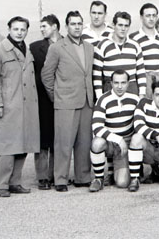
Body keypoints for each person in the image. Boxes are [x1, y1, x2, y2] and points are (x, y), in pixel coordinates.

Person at [0, 16, 40, 197]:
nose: (19, 33)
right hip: (8, 107)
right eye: (16, 29)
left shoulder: (27, 51)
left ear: (27, 31)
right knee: (7, 147)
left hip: (26, 108)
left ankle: (15, 182)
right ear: (9, 29)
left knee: (23, 145)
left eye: (23, 29)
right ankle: (1, 185)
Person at [41, 11, 95, 191]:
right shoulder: (57, 48)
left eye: (80, 24)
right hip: (65, 102)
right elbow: (46, 75)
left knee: (84, 142)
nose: (77, 27)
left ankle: (82, 177)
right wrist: (57, 96)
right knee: (63, 143)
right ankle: (60, 180)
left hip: (86, 101)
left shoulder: (89, 47)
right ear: (66, 26)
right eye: (73, 24)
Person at [88, 70, 139, 192]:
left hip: (125, 144)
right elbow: (97, 127)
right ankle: (98, 178)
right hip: (111, 142)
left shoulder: (135, 99)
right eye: (116, 83)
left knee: (122, 183)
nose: (119, 86)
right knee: (97, 143)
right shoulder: (103, 99)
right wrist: (118, 139)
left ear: (128, 83)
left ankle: (116, 169)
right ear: (111, 83)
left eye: (123, 83)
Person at [29, 14, 61, 190]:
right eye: (40, 26)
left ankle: (55, 174)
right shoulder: (34, 48)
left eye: (44, 26)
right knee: (42, 138)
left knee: (59, 137)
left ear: (54, 26)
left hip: (63, 97)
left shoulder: (68, 44)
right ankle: (42, 177)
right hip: (41, 99)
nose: (41, 29)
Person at [93, 11, 146, 100]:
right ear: (114, 25)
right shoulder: (102, 45)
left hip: (131, 89)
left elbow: (141, 72)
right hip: (110, 89)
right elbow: (97, 74)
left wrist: (142, 94)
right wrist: (99, 97)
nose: (123, 29)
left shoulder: (135, 45)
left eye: (126, 26)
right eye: (120, 25)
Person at [130, 3, 159, 98]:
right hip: (144, 78)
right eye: (148, 16)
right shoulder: (134, 37)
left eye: (154, 15)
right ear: (141, 17)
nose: (151, 19)